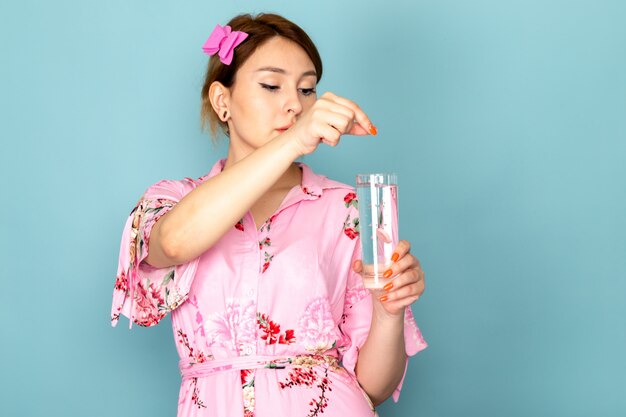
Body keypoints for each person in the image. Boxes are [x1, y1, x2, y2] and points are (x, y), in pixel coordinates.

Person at [110, 12, 427, 417]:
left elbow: (373, 387)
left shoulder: (346, 208)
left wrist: (388, 313)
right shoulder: (175, 199)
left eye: (307, 89)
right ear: (222, 101)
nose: (295, 104)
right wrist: (295, 140)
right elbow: (172, 243)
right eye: (272, 85)